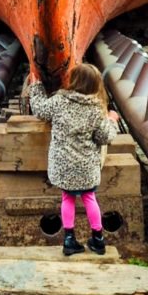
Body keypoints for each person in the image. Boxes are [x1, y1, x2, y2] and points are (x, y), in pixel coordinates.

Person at [29, 63, 119, 256]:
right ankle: (98, 240)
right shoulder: (96, 109)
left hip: (64, 167)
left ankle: (69, 240)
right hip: (86, 167)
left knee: (67, 198)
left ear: (73, 81)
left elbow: (39, 110)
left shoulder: (60, 101)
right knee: (89, 198)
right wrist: (112, 120)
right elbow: (105, 137)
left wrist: (35, 85)